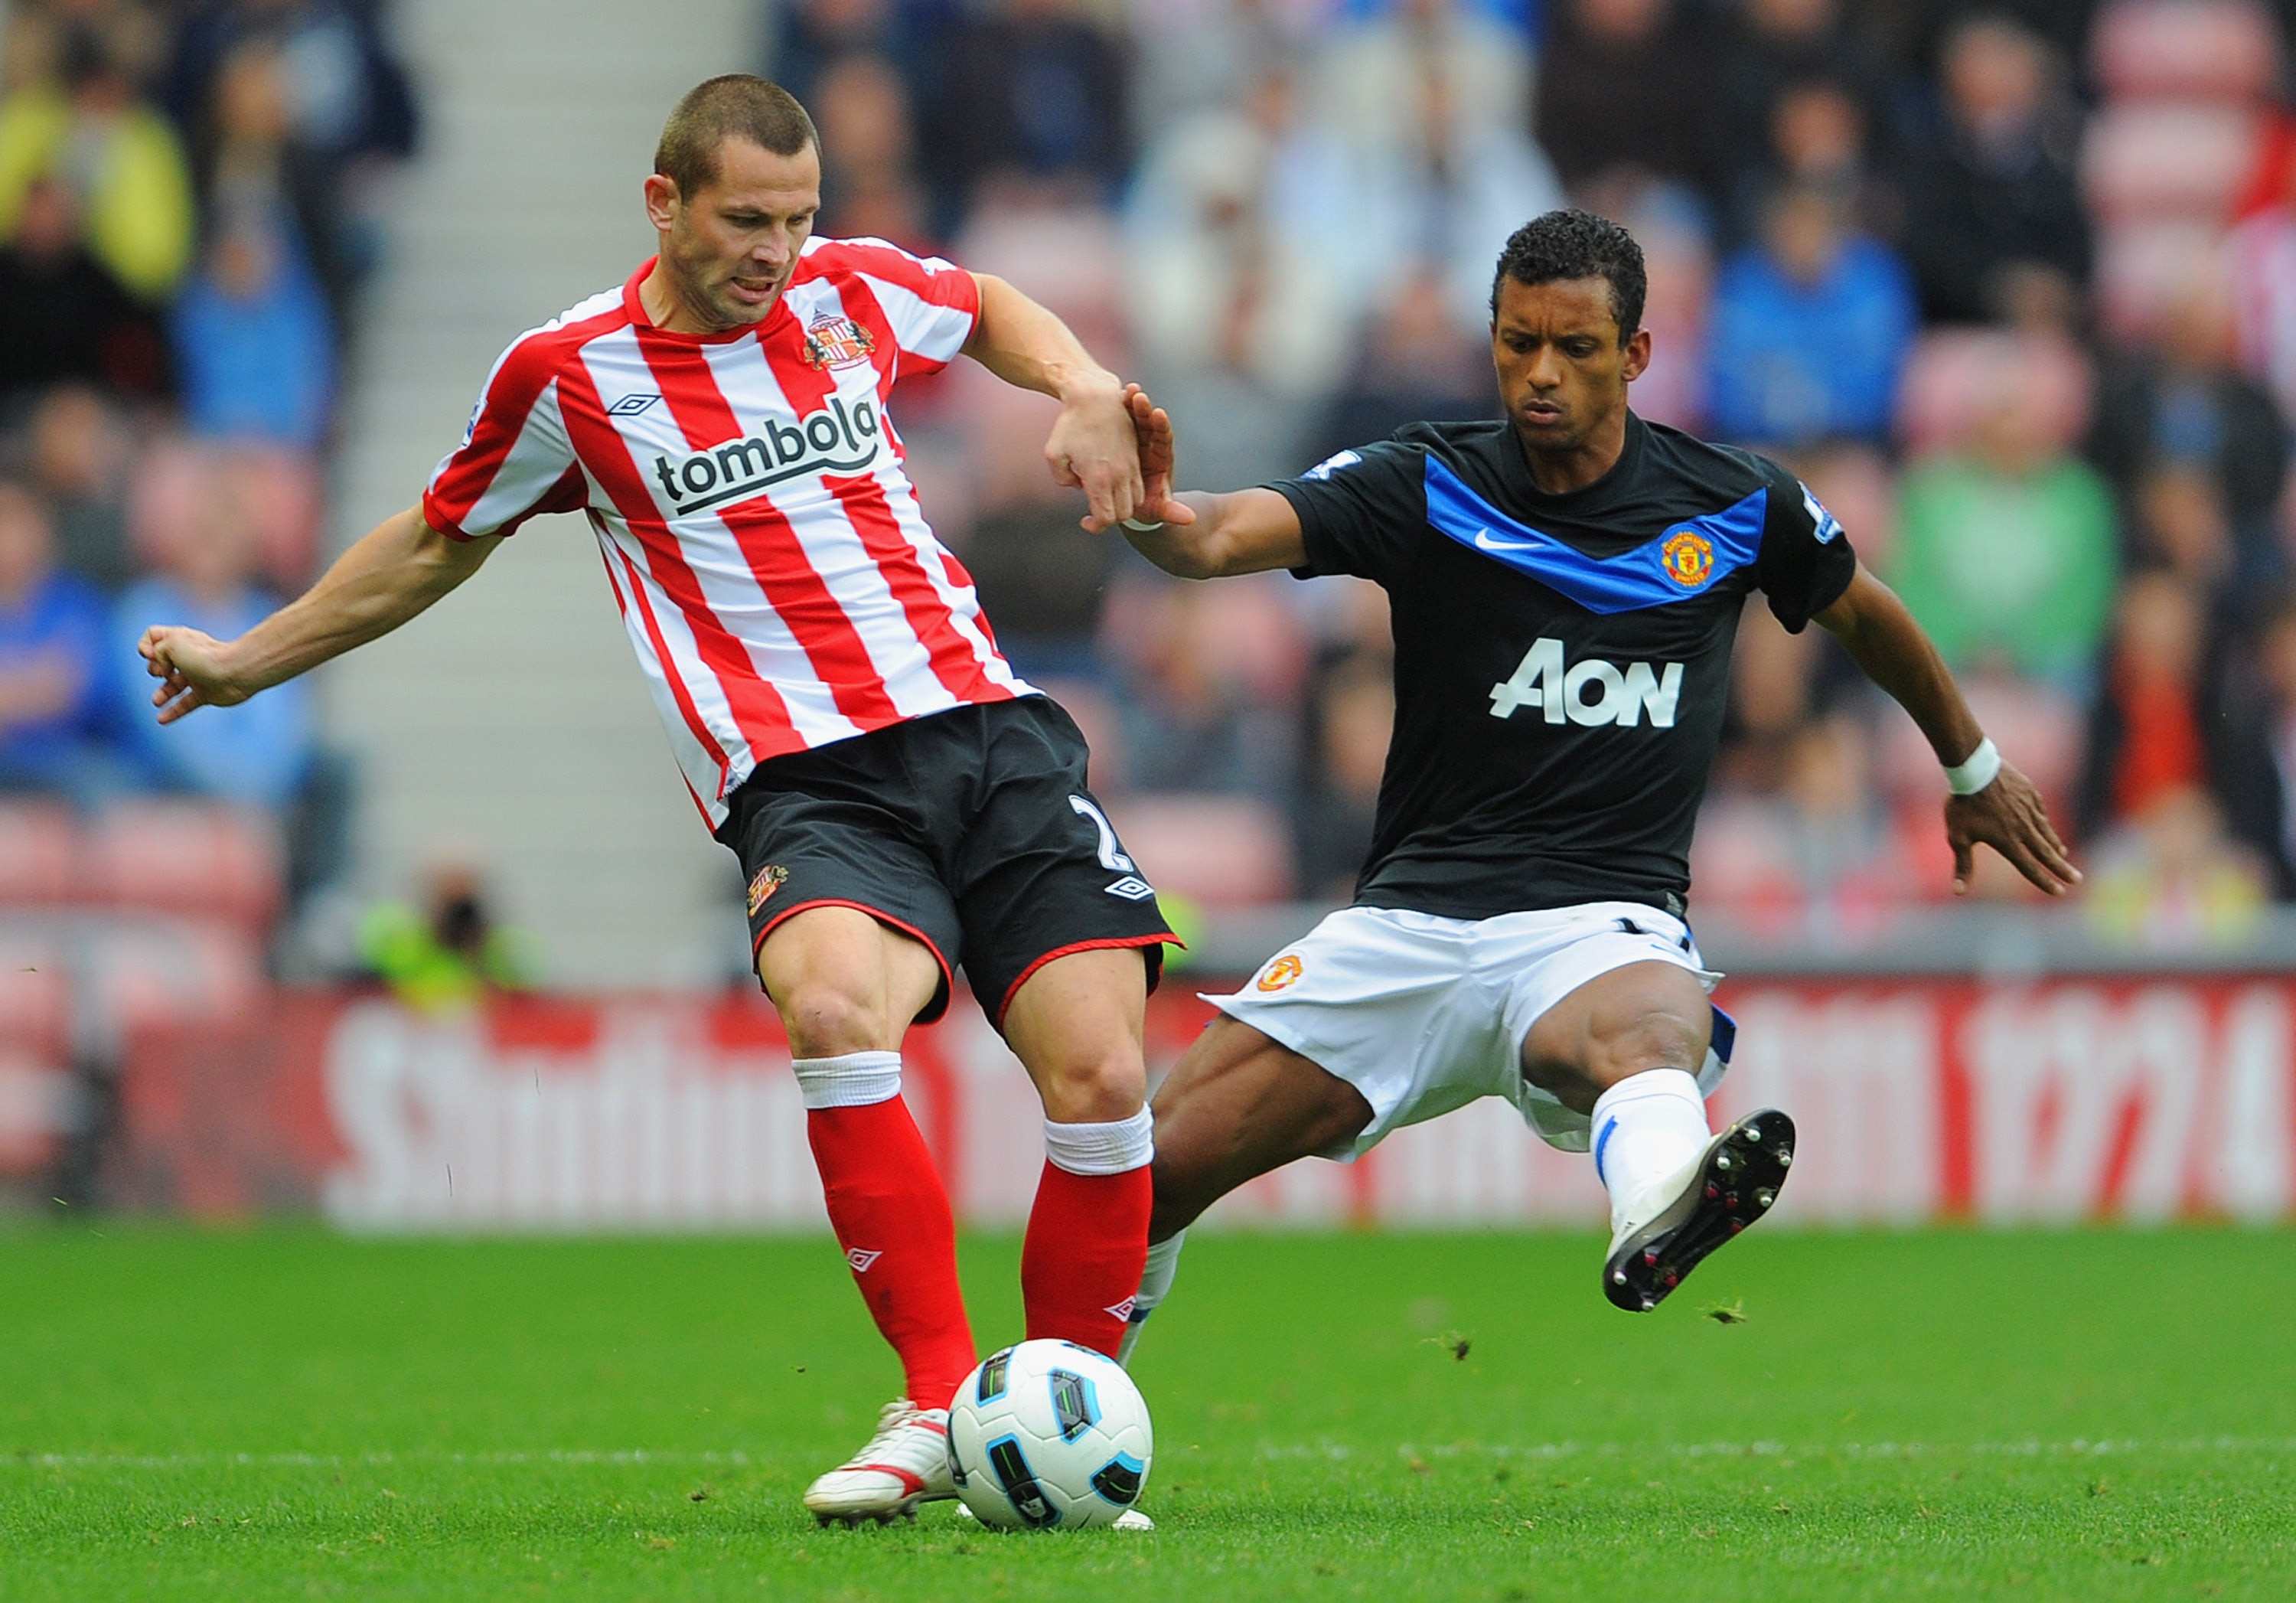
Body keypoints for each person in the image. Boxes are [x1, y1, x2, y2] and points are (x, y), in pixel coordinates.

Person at [134, 75, 1174, 1530]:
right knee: (832, 1007)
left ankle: (1056, 1428)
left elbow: (987, 302)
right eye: (747, 220)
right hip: (805, 780)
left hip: (987, 731)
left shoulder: (847, 292)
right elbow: (437, 540)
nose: (776, 250)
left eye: (798, 218)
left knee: (1106, 1078)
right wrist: (252, 658)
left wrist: (1079, 384)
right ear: (664, 203)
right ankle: (943, 1402)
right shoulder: (569, 374)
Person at [1108, 210, 2078, 1350]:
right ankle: (1056, 1397)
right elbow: (1220, 535)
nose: (1540, 372)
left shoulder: (1735, 503)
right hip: (1412, 925)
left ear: (1636, 354)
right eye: (1518, 342)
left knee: (1654, 1024)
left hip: (1599, 925)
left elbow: (1865, 611)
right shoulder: (1428, 480)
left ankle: (1662, 1199)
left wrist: (1971, 766)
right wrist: (1156, 512)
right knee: (1144, 1177)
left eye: (1574, 347)